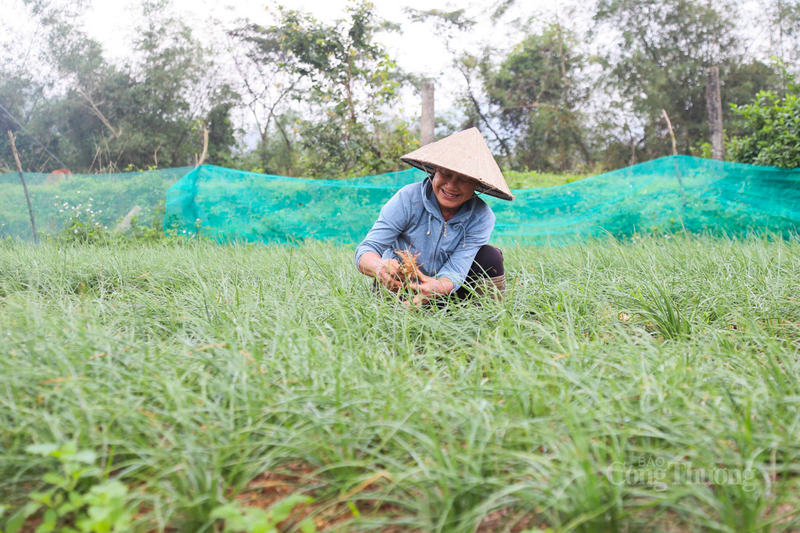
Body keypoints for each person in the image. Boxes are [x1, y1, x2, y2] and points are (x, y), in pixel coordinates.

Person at [355, 127, 515, 305]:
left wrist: (436, 287)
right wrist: (379, 267)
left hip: (446, 291)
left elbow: (457, 268)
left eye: (464, 179)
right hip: (400, 285)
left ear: (477, 184)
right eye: (446, 174)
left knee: (490, 255)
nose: (451, 186)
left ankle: (488, 314)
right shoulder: (407, 199)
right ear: (435, 171)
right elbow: (367, 249)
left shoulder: (482, 217)